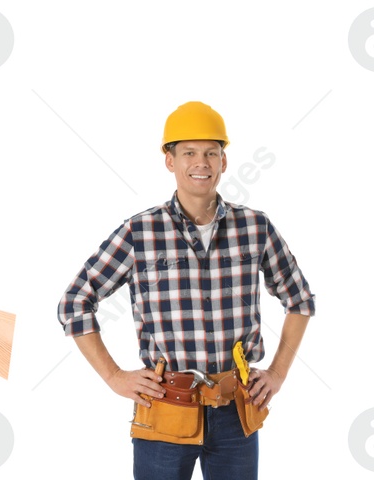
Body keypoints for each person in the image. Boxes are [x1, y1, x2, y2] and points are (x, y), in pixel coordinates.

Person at [57, 101, 316, 479]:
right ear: (170, 161)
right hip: (164, 407)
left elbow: (300, 301)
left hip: (236, 411)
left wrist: (277, 374)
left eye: (211, 153)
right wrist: (114, 377)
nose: (202, 163)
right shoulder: (140, 232)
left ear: (224, 162)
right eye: (189, 153)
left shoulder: (255, 227)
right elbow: (75, 302)